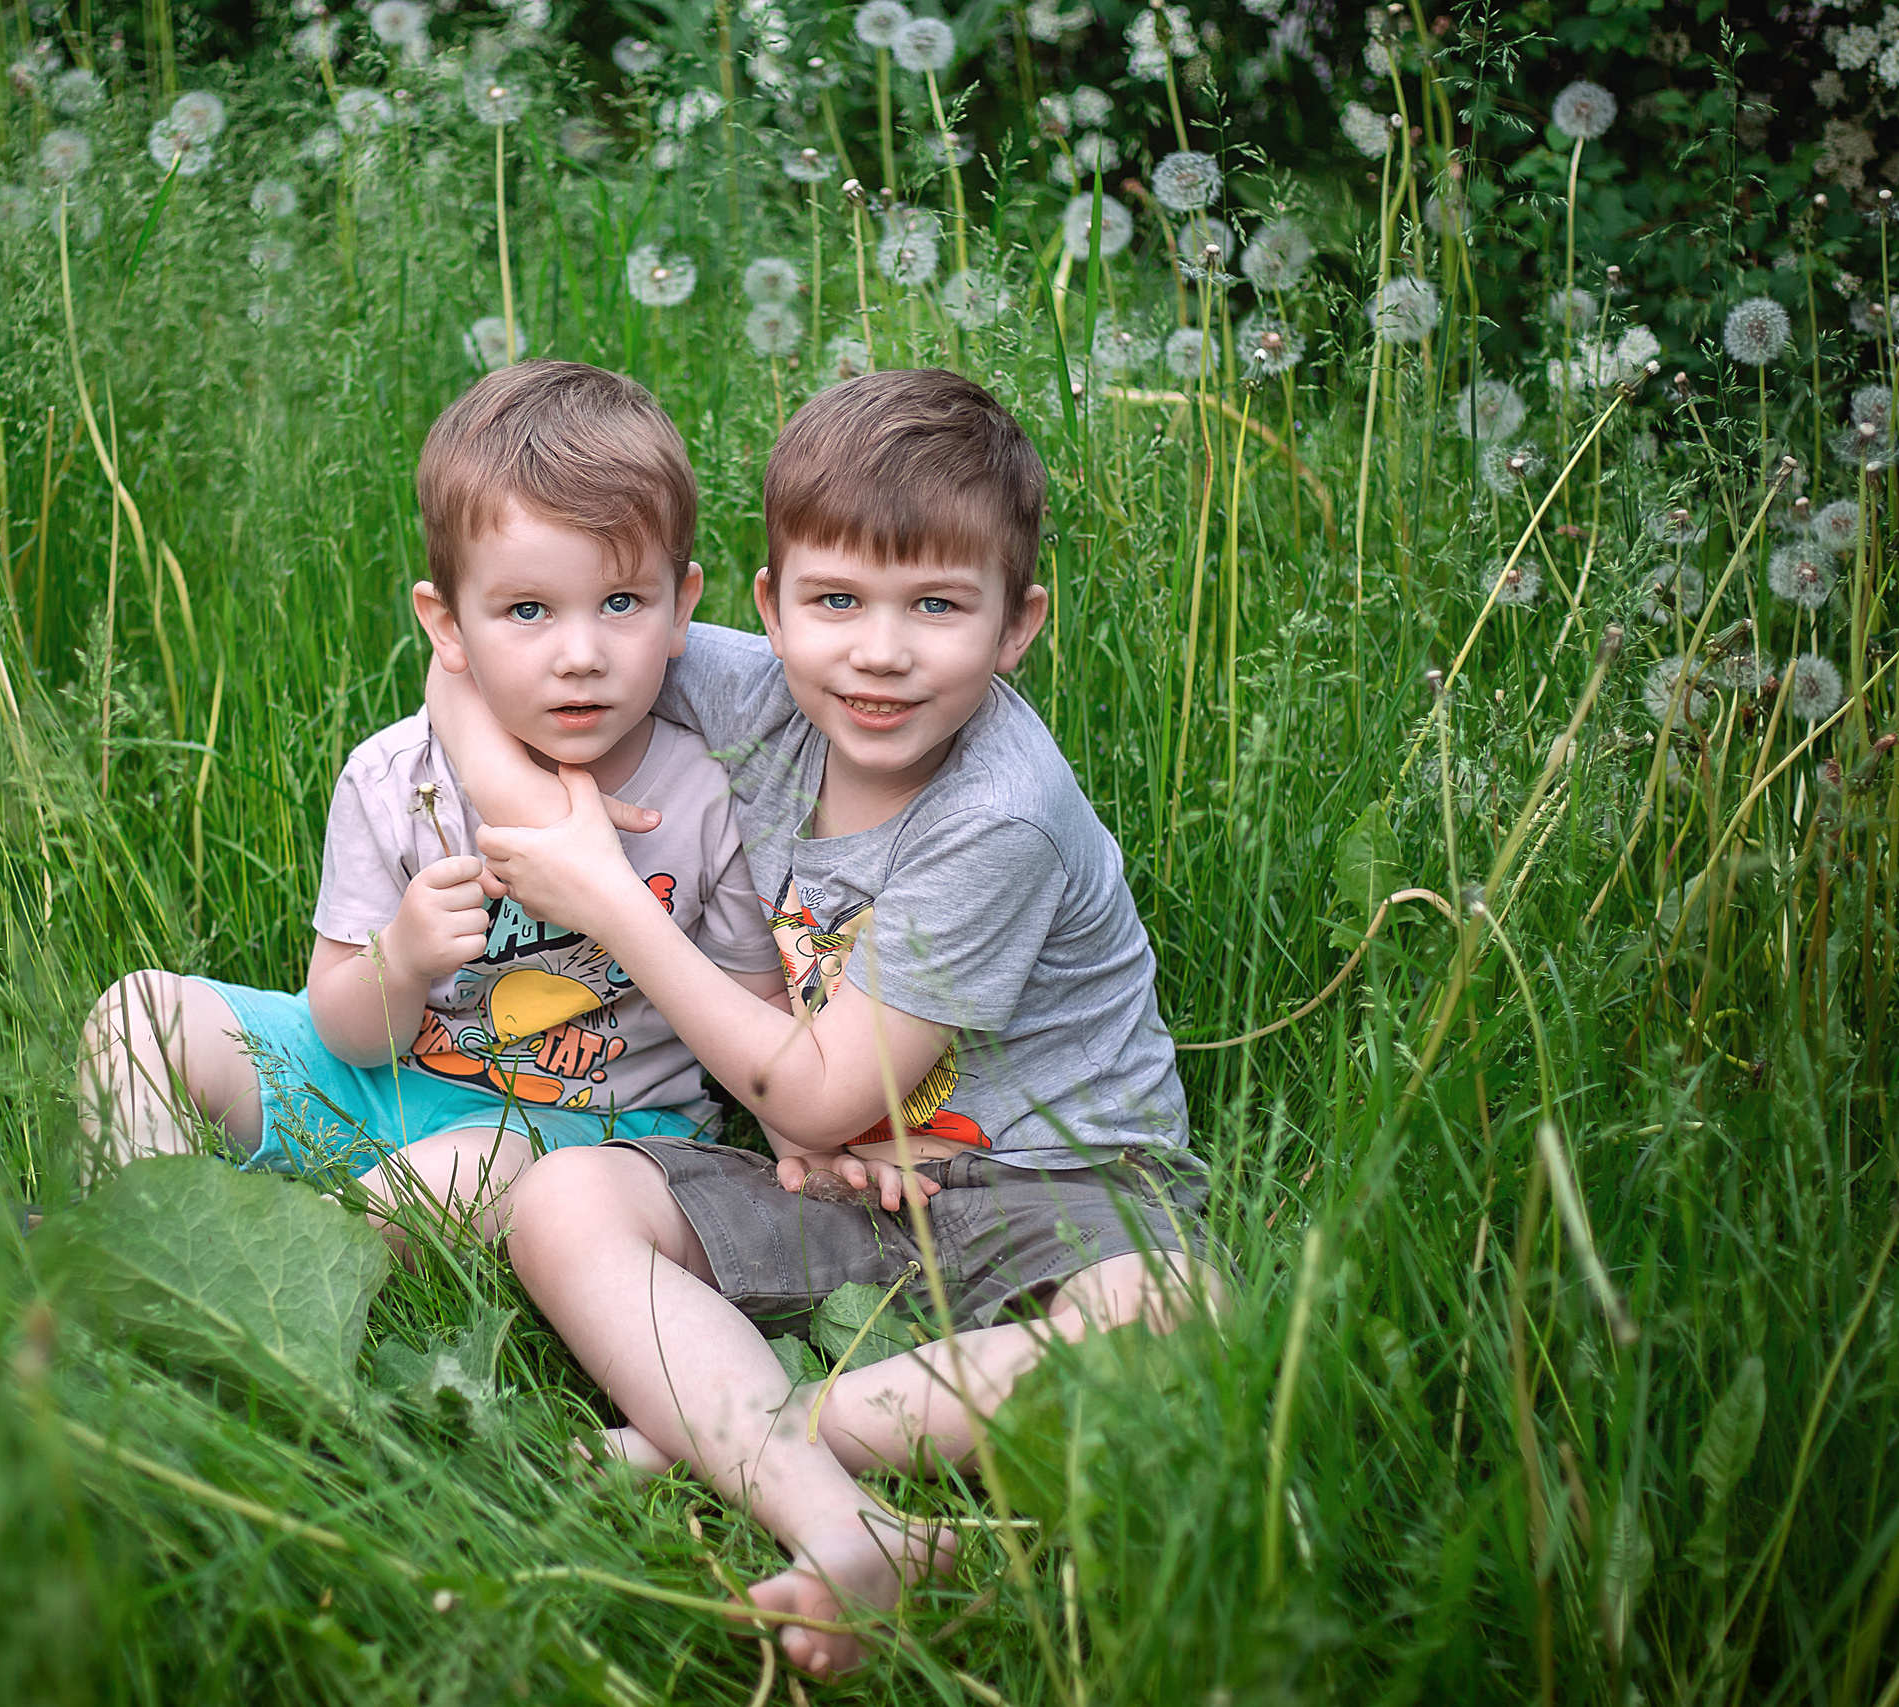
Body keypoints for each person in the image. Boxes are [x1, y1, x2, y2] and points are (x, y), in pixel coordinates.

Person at [429, 368, 1224, 1676]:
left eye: (937, 606)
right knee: (563, 1196)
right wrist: (542, 822)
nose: (878, 649)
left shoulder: (997, 814)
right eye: (837, 599)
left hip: (1057, 1183)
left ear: (1018, 624)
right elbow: (460, 665)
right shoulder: (754, 694)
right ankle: (845, 1511)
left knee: (1180, 1311)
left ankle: (749, 1425)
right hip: (841, 1180)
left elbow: (809, 1091)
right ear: (767, 604)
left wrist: (616, 906)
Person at [79, 361, 780, 1246]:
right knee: (143, 1013)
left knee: (465, 1170)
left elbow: (755, 1029)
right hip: (379, 1083)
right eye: (528, 609)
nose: (579, 653)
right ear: (447, 623)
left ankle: (283, 1268)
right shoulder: (394, 778)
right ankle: (129, 1236)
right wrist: (402, 960)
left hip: (593, 1131)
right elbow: (346, 1026)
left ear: (681, 608)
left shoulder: (702, 795)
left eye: (619, 602)